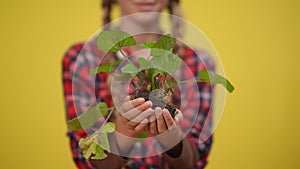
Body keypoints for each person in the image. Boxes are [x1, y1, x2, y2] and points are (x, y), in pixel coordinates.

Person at [63, 0, 215, 168]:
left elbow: (191, 162)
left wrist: (170, 135)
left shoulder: (197, 62)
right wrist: (126, 129)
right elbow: (90, 160)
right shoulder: (83, 60)